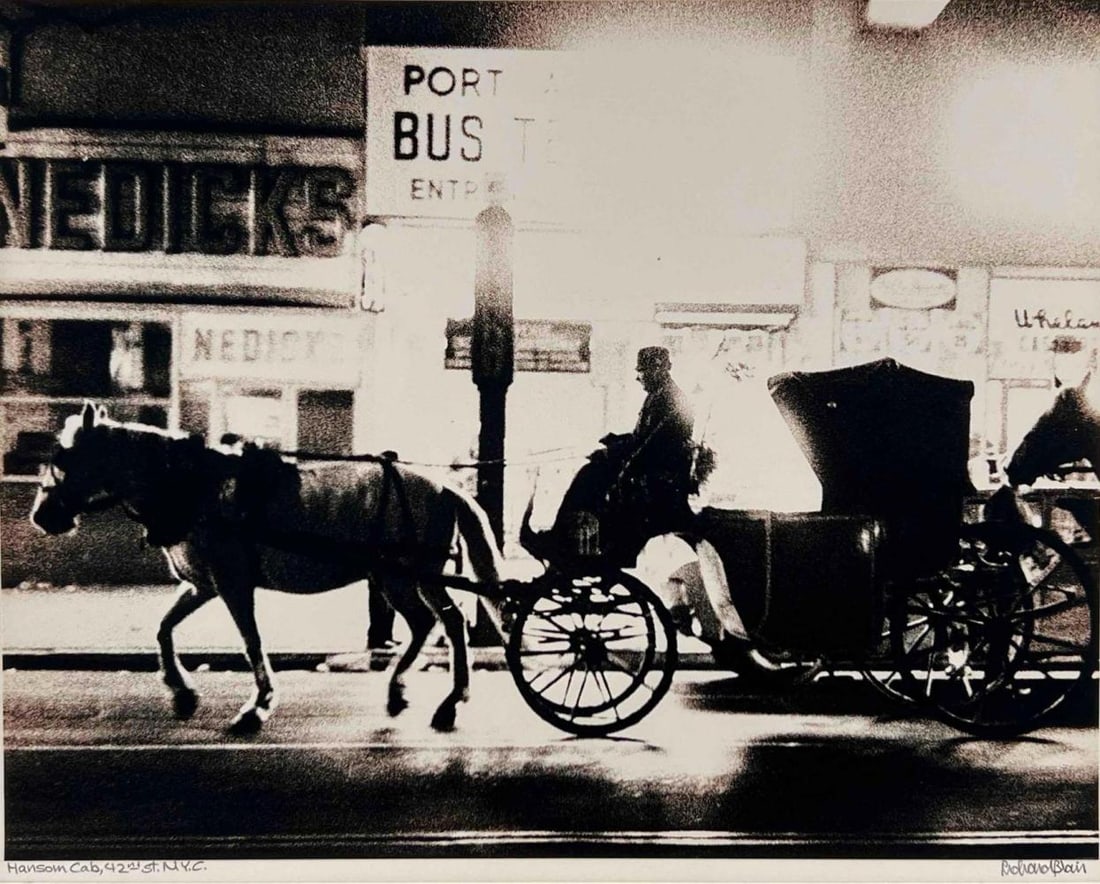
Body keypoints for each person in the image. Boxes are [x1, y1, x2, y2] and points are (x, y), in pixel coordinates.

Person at [603, 346, 696, 551]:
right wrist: (616, 441)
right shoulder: (657, 396)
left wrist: (627, 468)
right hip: (656, 478)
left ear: (657, 369)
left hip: (661, 484)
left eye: (641, 371)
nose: (638, 378)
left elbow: (654, 444)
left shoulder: (672, 399)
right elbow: (643, 437)